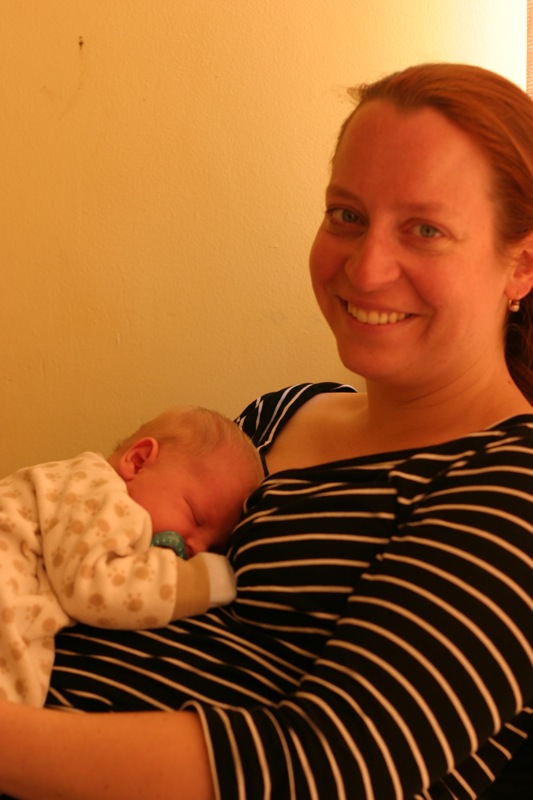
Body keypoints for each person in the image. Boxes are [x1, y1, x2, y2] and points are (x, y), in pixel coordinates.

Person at [0, 62, 532, 800]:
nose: (366, 268)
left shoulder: (512, 485)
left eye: (424, 229)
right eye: (346, 215)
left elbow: (328, 764)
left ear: (521, 266)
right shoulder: (281, 414)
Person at [0, 405, 263, 706]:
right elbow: (94, 585)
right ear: (138, 462)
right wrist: (207, 579)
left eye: (215, 548)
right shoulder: (101, 492)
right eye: (196, 516)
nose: (198, 550)